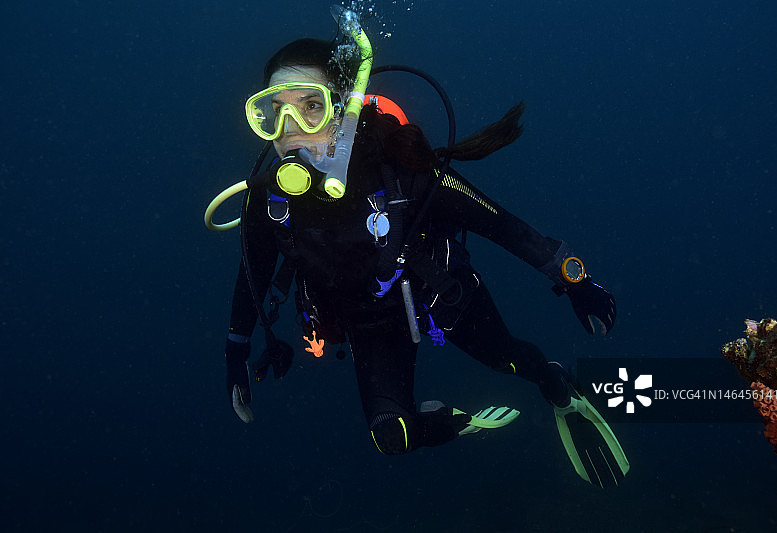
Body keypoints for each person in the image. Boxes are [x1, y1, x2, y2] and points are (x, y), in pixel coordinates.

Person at [215, 19, 628, 488]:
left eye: (311, 106)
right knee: (392, 436)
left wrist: (575, 278)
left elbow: (500, 225)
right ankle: (457, 421)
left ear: (344, 109)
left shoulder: (402, 171)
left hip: (441, 297)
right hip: (369, 326)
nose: (290, 128)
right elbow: (253, 273)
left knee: (511, 360)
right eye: (274, 111)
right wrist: (236, 352)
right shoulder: (267, 200)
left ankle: (557, 387)